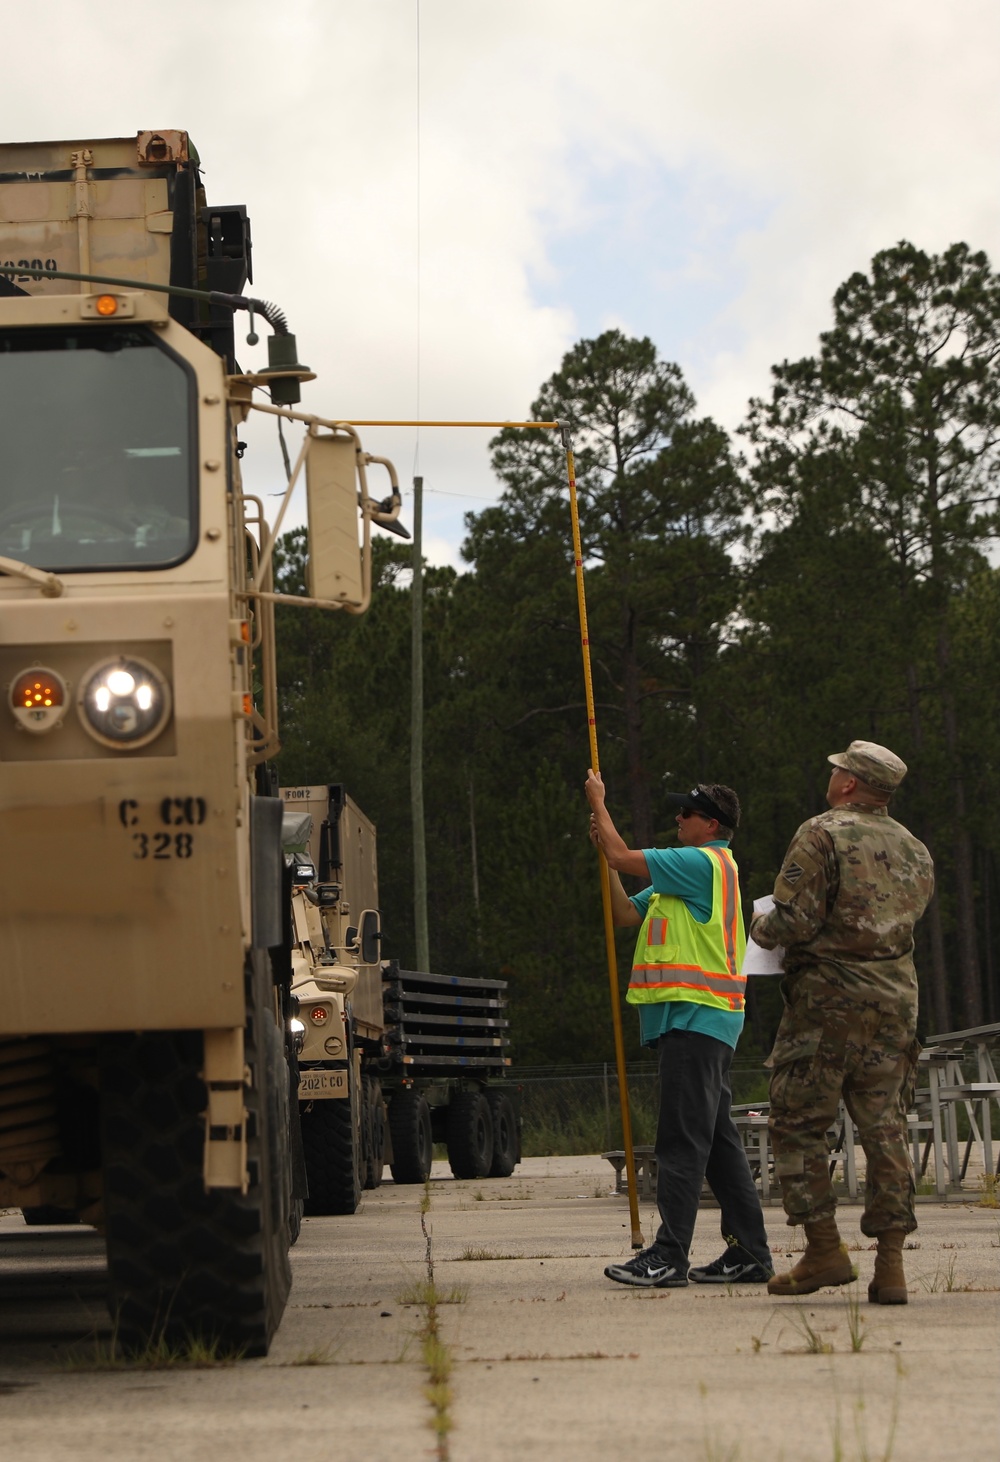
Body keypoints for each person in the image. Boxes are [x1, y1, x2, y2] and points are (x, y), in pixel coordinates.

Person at [750, 741, 934, 1305]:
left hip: (828, 1005)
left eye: (835, 769)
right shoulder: (914, 849)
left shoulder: (822, 832)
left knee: (800, 1122)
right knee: (886, 1126)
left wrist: (760, 927)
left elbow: (795, 919)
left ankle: (825, 1251)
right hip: (896, 1003)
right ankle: (892, 1266)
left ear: (850, 783)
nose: (830, 775)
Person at [585, 771, 773, 1289]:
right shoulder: (679, 883)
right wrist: (605, 853)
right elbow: (624, 911)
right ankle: (750, 1253)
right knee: (716, 1142)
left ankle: (669, 1255)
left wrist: (600, 805)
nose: (677, 819)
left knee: (681, 1141)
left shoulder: (702, 862)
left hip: (697, 1017)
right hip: (697, 1019)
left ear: (710, 824)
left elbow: (627, 858)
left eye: (685, 814)